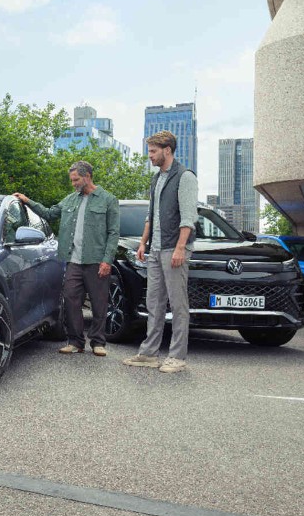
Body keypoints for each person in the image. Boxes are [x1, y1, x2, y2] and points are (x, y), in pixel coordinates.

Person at [15, 161, 120, 357]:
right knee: (71, 300)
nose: (73, 183)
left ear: (87, 176)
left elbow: (113, 233)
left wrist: (107, 260)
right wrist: (28, 201)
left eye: (76, 179)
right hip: (73, 260)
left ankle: (98, 342)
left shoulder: (108, 200)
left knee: (99, 303)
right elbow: (49, 213)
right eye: (72, 180)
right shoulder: (70, 200)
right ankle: (76, 341)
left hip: (97, 260)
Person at [124, 130, 197, 374]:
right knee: (153, 302)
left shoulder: (185, 177)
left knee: (178, 305)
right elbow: (150, 215)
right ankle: (149, 353)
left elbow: (188, 218)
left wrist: (180, 248)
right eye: (149, 151)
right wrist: (143, 243)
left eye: (153, 151)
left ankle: (177, 356)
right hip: (155, 248)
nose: (150, 156)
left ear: (167, 150)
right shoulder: (157, 179)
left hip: (173, 249)